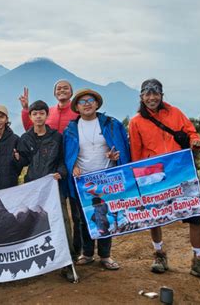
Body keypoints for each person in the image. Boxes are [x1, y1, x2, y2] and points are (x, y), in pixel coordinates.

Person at [128, 78, 200, 284]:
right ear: (141, 97)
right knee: (156, 216)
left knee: (194, 214)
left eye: (155, 94)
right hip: (154, 175)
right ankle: (159, 255)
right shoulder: (136, 121)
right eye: (147, 94)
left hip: (181, 171)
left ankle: (198, 260)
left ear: (161, 95)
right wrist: (138, 178)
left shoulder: (175, 113)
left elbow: (191, 132)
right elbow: (136, 152)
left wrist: (195, 142)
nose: (151, 98)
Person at [63, 88, 130, 271]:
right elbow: (67, 154)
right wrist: (72, 167)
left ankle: (106, 255)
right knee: (85, 218)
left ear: (97, 103)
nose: (87, 104)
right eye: (82, 101)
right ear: (76, 106)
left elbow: (121, 147)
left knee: (105, 216)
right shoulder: (71, 128)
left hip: (106, 178)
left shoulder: (110, 124)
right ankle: (87, 253)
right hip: (82, 180)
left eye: (90, 100)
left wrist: (115, 157)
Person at [16, 100, 76, 281]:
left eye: (42, 113)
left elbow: (62, 161)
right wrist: (16, 158)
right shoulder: (25, 139)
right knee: (33, 224)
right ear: (31, 116)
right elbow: (22, 163)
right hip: (33, 188)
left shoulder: (56, 137)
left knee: (62, 223)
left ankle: (68, 263)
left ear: (46, 115)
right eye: (35, 114)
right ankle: (33, 261)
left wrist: (60, 173)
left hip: (53, 187)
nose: (38, 116)